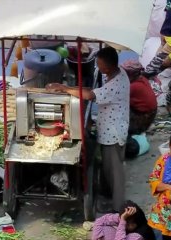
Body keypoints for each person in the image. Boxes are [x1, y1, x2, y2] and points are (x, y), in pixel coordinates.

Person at [46, 46, 129, 212]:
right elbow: (91, 90)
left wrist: (64, 89)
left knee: (115, 173)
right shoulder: (113, 74)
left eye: (101, 65)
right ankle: (107, 197)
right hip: (108, 128)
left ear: (110, 66)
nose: (99, 68)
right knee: (107, 167)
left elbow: (91, 95)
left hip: (113, 133)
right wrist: (68, 89)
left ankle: (119, 208)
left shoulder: (117, 83)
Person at [142, 0, 171, 118]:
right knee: (149, 70)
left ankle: (169, 103)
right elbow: (167, 35)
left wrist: (170, 58)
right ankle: (138, 96)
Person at [148, 130, 171, 240]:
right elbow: (152, 180)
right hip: (162, 214)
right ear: (169, 147)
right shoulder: (164, 159)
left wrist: (161, 186)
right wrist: (168, 186)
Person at [121, 60, 157, 135]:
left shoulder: (134, 86)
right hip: (149, 114)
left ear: (131, 74)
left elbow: (115, 98)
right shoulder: (142, 78)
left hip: (143, 118)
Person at [92, 200, 156, 240]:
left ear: (138, 221)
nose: (130, 226)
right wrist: (97, 237)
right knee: (104, 228)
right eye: (128, 223)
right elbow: (100, 221)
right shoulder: (123, 216)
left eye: (133, 223)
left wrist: (123, 221)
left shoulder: (139, 235)